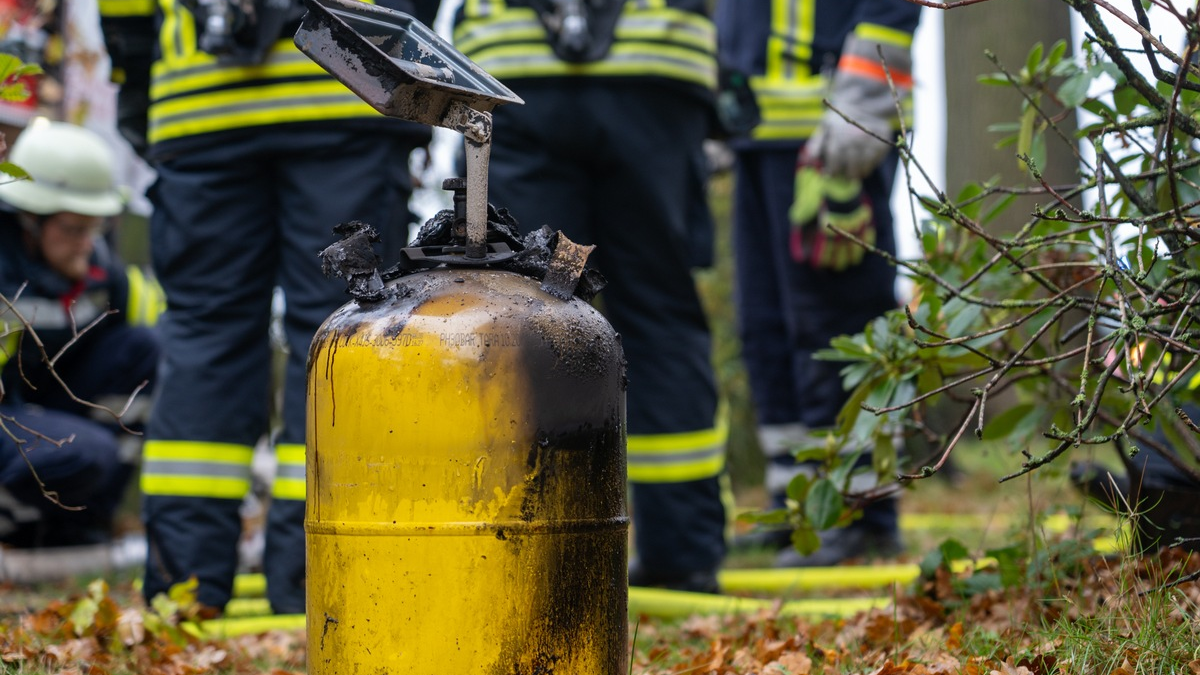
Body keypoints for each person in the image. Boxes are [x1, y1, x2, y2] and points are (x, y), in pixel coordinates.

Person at [98, 0, 437, 614]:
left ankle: (184, 590)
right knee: (342, 337)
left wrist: (138, 90)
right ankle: (319, 591)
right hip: (344, 89)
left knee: (204, 338)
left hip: (199, 103)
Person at [453, 0, 728, 592]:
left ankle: (534, 553)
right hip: (659, 69)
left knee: (533, 315)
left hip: (511, 74)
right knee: (659, 312)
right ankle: (683, 554)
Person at [716, 0, 921, 566]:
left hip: (831, 136)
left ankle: (861, 514)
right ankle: (799, 511)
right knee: (766, 332)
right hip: (757, 140)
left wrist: (863, 101)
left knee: (836, 331)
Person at [0, 119, 161, 550]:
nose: (86, 244)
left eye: (94, 228)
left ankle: (83, 525)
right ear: (29, 220)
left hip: (41, 404)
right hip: (6, 412)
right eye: (72, 229)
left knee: (145, 350)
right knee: (84, 451)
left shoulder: (100, 274)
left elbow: (124, 355)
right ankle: (14, 527)